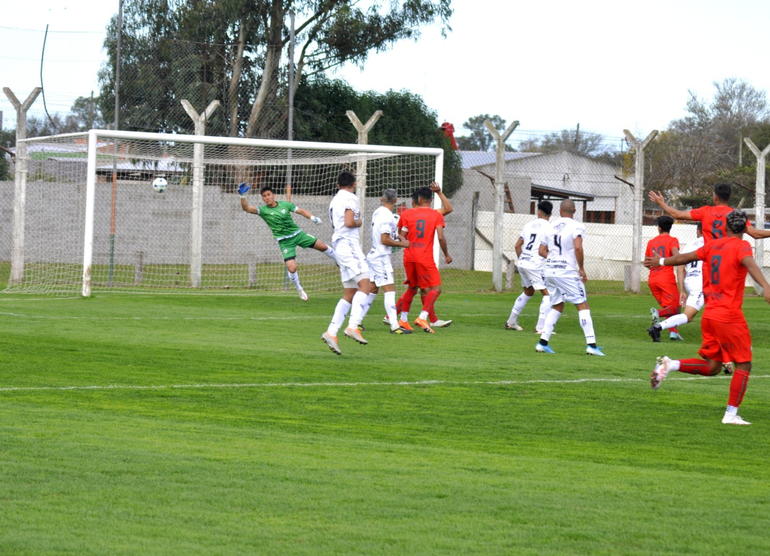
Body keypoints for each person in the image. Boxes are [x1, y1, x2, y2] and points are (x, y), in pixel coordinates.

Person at [644, 210, 770, 425]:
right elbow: (750, 264)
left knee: (713, 367)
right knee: (743, 365)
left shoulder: (712, 245)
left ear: (725, 227)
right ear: (744, 229)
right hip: (729, 315)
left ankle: (669, 364)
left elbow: (683, 258)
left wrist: (661, 261)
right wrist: (766, 286)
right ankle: (730, 415)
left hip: (710, 313)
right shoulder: (742, 246)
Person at [238, 182, 335, 301]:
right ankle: (299, 288)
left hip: (298, 235)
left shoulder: (285, 205)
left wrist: (312, 217)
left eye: (269, 195)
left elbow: (301, 211)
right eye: (264, 196)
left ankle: (341, 262)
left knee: (324, 247)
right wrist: (242, 196)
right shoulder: (263, 210)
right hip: (285, 242)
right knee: (292, 268)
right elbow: (246, 208)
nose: (267, 197)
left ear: (273, 195)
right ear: (262, 199)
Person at [535, 199, 604, 356]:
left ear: (560, 211)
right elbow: (578, 247)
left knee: (557, 305)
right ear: (574, 210)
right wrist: (581, 268)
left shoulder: (550, 226)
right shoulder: (577, 226)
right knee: (582, 305)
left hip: (550, 271)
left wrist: (555, 259)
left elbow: (541, 251)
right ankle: (592, 345)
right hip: (567, 272)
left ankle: (543, 343)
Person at [321, 171, 373, 355]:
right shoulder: (351, 198)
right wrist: (359, 222)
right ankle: (353, 326)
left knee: (350, 292)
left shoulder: (334, 200)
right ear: (354, 184)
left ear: (338, 185)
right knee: (366, 284)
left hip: (339, 245)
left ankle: (331, 332)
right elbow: (350, 222)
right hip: (349, 244)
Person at [389, 182, 454, 330]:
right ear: (430, 199)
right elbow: (441, 236)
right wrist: (446, 254)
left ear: (418, 199)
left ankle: (404, 319)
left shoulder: (406, 214)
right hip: (424, 258)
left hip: (409, 256)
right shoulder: (435, 215)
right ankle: (422, 317)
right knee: (436, 288)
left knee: (415, 288)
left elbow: (401, 235)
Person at [358, 189, 412, 335]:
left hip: (374, 254)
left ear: (382, 199)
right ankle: (395, 326)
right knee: (389, 290)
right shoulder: (388, 216)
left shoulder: (378, 211)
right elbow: (384, 239)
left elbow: (383, 233)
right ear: (396, 200)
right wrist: (402, 244)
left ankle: (357, 321)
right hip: (381, 257)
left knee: (373, 289)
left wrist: (398, 236)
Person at [648, 223, 704, 342]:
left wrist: (682, 290)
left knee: (676, 309)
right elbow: (676, 256)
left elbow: (680, 266)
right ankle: (659, 320)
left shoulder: (690, 244)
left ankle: (667, 330)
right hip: (698, 282)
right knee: (681, 312)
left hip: (657, 278)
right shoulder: (714, 244)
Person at [505, 200, 553, 333]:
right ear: (551, 214)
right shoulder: (550, 228)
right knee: (549, 294)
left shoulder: (529, 225)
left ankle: (511, 322)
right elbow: (547, 249)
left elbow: (517, 245)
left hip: (523, 262)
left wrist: (523, 260)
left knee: (528, 292)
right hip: (535, 265)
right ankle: (540, 327)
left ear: (538, 212)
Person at [644, 216, 684, 341]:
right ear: (670, 227)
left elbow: (646, 263)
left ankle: (673, 333)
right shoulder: (672, 240)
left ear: (659, 228)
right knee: (676, 308)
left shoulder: (651, 242)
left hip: (652, 280)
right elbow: (677, 256)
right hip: (666, 279)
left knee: (669, 308)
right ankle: (658, 313)